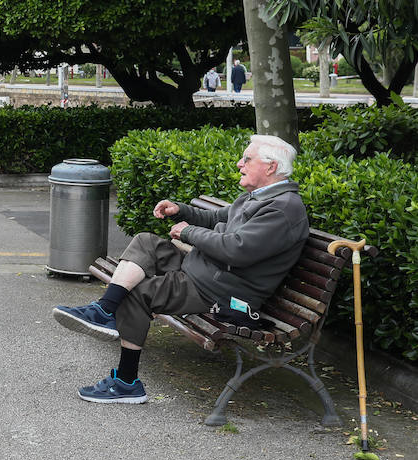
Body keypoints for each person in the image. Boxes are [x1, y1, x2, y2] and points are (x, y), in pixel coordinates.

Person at [52, 134, 308, 404]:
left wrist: (188, 232)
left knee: (139, 293)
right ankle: (104, 310)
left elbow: (237, 250)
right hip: (206, 270)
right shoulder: (257, 197)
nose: (239, 164)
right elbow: (215, 218)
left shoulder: (282, 210)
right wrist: (180, 211)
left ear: (270, 167)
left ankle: (126, 382)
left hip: (221, 291)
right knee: (146, 241)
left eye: (247, 159)